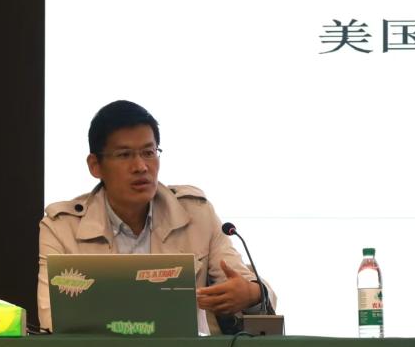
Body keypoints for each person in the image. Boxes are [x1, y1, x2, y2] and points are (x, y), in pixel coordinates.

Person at [37, 100, 274, 333]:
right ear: (95, 165)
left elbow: (250, 286)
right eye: (124, 155)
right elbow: (51, 319)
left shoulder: (197, 215)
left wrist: (250, 294)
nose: (141, 166)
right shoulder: (61, 228)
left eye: (149, 152)